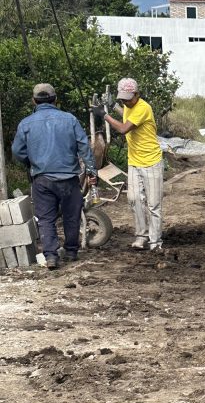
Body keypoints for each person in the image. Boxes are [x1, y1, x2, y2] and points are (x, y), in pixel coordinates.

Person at [11, 83, 97, 270]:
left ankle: (51, 256)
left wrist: (31, 162)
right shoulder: (70, 120)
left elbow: (17, 151)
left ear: (34, 101)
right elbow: (84, 147)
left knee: (46, 219)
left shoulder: (26, 123)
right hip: (69, 178)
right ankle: (71, 251)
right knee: (71, 215)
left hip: (42, 179)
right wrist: (92, 171)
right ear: (55, 100)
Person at [104, 78, 164, 250]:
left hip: (151, 162)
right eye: (122, 99)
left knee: (153, 204)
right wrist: (113, 107)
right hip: (134, 162)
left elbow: (123, 128)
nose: (126, 102)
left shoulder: (143, 107)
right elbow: (125, 114)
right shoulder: (129, 107)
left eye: (128, 99)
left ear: (137, 94)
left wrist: (105, 115)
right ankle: (141, 235)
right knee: (134, 199)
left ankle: (155, 241)